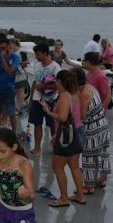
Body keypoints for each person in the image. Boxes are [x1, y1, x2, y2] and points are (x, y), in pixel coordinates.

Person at [41, 70, 86, 207]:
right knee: (74, 167)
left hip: (67, 136)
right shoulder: (77, 94)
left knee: (58, 167)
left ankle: (64, 198)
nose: (55, 82)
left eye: (56, 80)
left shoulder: (64, 96)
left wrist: (47, 111)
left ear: (60, 81)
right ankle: (80, 195)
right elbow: (82, 115)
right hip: (78, 131)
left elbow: (62, 118)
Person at [70, 67, 110, 195]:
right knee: (103, 152)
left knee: (89, 156)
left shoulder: (82, 94)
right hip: (102, 123)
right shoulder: (90, 87)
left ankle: (89, 186)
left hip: (92, 127)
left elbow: (83, 116)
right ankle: (102, 179)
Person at [28, 43, 61, 155]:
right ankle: (37, 148)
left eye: (38, 54)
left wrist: (43, 87)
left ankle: (56, 147)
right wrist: (31, 100)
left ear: (45, 53)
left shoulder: (56, 67)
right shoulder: (37, 66)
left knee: (52, 125)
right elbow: (34, 83)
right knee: (37, 124)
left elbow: (59, 85)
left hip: (51, 100)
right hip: (37, 99)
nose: (36, 57)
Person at [0, 38, 20, 131]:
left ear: (9, 46)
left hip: (9, 88)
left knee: (11, 113)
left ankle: (14, 133)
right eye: (0, 48)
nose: (2, 50)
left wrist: (3, 59)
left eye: (4, 47)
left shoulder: (16, 57)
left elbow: (10, 72)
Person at [15, 51, 29, 115]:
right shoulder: (12, 53)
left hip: (21, 76)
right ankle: (17, 108)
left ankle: (18, 108)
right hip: (14, 76)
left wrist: (20, 63)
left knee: (20, 92)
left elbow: (27, 62)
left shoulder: (22, 53)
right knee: (18, 93)